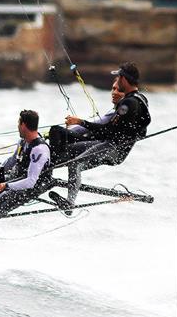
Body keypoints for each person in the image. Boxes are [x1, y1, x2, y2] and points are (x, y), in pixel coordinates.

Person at [52, 62, 150, 208]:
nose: (116, 82)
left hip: (114, 149)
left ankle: (70, 202)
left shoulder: (128, 104)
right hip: (110, 146)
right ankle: (45, 172)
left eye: (118, 78)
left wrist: (81, 122)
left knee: (75, 163)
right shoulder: (141, 99)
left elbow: (107, 130)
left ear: (123, 79)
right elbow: (141, 129)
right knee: (70, 149)